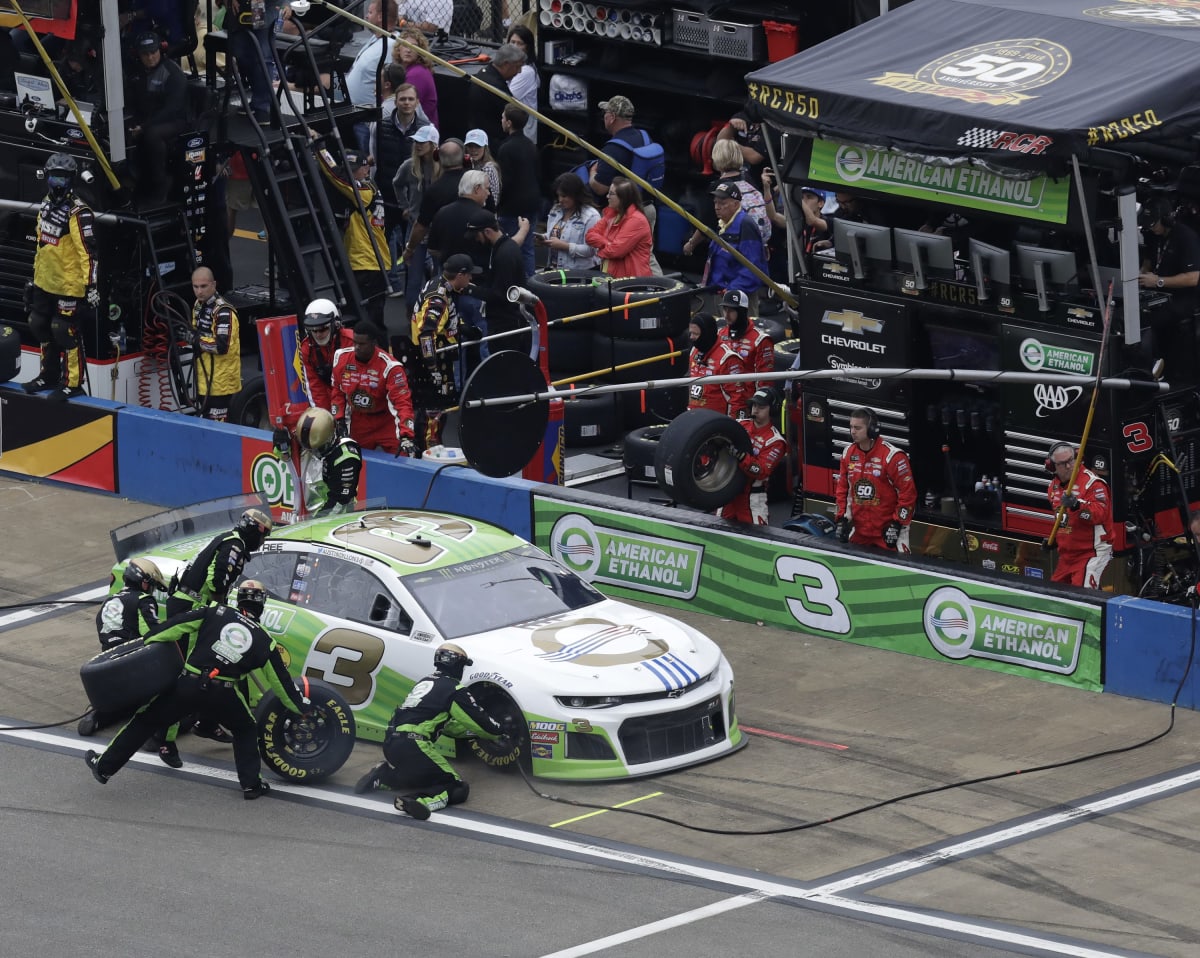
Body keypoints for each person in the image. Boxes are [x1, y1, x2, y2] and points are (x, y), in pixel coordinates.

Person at [85, 580, 310, 800]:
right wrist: (302, 708)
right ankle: (252, 785)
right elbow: (283, 686)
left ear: (238, 598)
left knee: (145, 721)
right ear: (262, 605)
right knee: (246, 729)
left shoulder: (215, 611)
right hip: (224, 692)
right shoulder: (266, 641)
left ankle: (103, 768)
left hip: (188, 684)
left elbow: (174, 627)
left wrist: (146, 643)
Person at [353, 642, 510, 821]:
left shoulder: (426, 683)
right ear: (458, 665)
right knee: (457, 787)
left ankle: (384, 777)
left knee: (422, 776)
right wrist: (500, 731)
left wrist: (472, 734)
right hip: (414, 745)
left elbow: (447, 725)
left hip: (392, 743)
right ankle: (418, 801)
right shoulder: (454, 690)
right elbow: (481, 723)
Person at [21, 153, 98, 402]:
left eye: (63, 177)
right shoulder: (44, 204)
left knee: (63, 330)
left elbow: (88, 251)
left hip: (69, 285)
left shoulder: (79, 211)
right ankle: (48, 375)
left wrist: (91, 285)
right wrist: (34, 277)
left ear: (71, 179)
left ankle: (73, 382)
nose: (58, 183)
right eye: (54, 176)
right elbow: (41, 245)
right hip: (45, 280)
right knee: (39, 324)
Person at [79, 558, 168, 738]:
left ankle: (96, 715)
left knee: (119, 706)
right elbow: (153, 634)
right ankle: (154, 733)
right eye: (150, 584)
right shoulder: (144, 600)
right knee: (169, 691)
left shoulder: (109, 601)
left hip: (108, 664)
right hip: (134, 664)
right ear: (143, 582)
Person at [311, 135, 392, 324]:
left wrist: (321, 150)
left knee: (364, 318)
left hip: (366, 261)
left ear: (365, 169)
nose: (349, 174)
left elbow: (336, 176)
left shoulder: (362, 191)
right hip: (374, 261)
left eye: (353, 170)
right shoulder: (370, 185)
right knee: (373, 315)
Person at [371, 82, 430, 292]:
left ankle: (414, 293)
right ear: (395, 101)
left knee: (414, 249)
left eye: (410, 99)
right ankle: (388, 285)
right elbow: (375, 159)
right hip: (386, 195)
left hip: (414, 202)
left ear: (417, 102)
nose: (406, 103)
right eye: (402, 99)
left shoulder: (426, 129)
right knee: (382, 244)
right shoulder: (379, 126)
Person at [330, 321, 419, 457]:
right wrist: (339, 419)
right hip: (359, 421)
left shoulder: (391, 367)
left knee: (405, 455)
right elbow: (337, 392)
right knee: (349, 460)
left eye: (362, 344)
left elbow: (402, 402)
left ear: (373, 343)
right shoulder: (341, 358)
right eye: (355, 343)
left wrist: (406, 435)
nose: (357, 347)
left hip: (385, 421)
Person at [835, 407, 917, 553]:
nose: (853, 431)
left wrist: (897, 524)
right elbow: (842, 489)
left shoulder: (893, 456)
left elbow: (908, 494)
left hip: (888, 533)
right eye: (851, 427)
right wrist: (841, 518)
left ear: (873, 429)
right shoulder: (848, 453)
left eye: (858, 428)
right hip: (860, 532)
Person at [167, 508, 274, 619]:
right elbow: (216, 579)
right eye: (263, 536)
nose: (263, 542)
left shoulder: (228, 537)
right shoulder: (235, 544)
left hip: (187, 602)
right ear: (253, 531)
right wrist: (220, 609)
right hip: (191, 606)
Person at [1137, 196, 1200, 376]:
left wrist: (1158, 281)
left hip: (1183, 298)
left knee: (1148, 321)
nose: (1151, 228)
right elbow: (1149, 260)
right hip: (1156, 293)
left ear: (1166, 219)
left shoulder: (1186, 237)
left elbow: (1194, 277)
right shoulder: (1152, 235)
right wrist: (1142, 275)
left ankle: (1152, 368)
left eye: (1154, 223)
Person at [125, 31, 189, 205]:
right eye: (145, 54)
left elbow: (173, 108)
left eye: (153, 52)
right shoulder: (136, 73)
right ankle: (133, 180)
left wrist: (144, 127)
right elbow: (131, 101)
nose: (150, 57)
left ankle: (160, 182)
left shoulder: (172, 73)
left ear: (160, 50)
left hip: (174, 120)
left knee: (152, 134)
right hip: (146, 118)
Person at [682, 139, 771, 259]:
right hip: (756, 243)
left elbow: (707, 224)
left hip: (733, 247)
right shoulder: (748, 179)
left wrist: (691, 244)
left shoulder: (718, 187)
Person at [410, 253, 481, 401]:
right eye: (469, 275)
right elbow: (426, 335)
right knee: (435, 411)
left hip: (440, 356)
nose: (471, 279)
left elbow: (444, 320)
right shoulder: (438, 299)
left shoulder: (439, 283)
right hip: (433, 362)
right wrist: (432, 368)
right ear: (460, 275)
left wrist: (464, 329)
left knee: (438, 409)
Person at [1046, 442, 1113, 589]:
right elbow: (1063, 520)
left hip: (1092, 553)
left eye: (1071, 460)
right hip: (1067, 556)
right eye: (1063, 463)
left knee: (1082, 600)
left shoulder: (1093, 483)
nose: (1069, 466)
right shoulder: (1053, 487)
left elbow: (1100, 515)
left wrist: (1078, 505)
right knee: (1052, 598)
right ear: (1053, 467)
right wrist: (1056, 539)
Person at [717, 387, 786, 525]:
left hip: (752, 499)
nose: (755, 410)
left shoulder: (776, 441)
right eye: (754, 405)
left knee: (755, 543)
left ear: (772, 410)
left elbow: (761, 471)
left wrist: (742, 457)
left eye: (761, 406)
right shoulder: (739, 425)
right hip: (728, 493)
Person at [393, 124, 441, 310]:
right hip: (416, 226)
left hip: (438, 227)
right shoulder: (410, 166)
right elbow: (396, 184)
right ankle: (411, 313)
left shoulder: (442, 167)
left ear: (433, 144)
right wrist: (404, 206)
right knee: (413, 275)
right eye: (416, 142)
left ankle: (437, 311)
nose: (418, 145)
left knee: (440, 274)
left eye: (423, 142)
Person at [467, 208, 529, 343]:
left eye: (477, 236)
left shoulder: (504, 255)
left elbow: (500, 295)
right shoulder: (503, 247)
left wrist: (471, 289)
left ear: (487, 232)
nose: (477, 240)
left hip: (507, 325)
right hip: (505, 321)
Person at [292, 406, 364, 516]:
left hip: (337, 519)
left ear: (331, 437)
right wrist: (280, 442)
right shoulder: (310, 441)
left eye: (318, 449)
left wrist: (316, 521)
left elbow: (341, 500)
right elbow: (285, 456)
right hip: (306, 512)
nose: (312, 453)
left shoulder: (346, 457)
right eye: (309, 449)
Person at [190, 266, 241, 421]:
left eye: (204, 286)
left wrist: (195, 340)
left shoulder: (224, 311)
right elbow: (194, 332)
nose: (199, 291)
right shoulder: (198, 306)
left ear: (214, 284)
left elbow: (221, 346)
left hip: (221, 386)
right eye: (196, 286)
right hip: (202, 381)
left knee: (217, 431)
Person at [704, 181, 767, 306]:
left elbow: (753, 267)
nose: (717, 207)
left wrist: (732, 290)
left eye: (722, 203)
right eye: (715, 202)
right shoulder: (722, 224)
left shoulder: (746, 225)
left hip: (739, 298)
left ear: (736, 204)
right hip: (721, 292)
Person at [496, 103, 541, 276]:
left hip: (512, 207)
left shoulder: (506, 148)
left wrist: (498, 203)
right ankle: (529, 285)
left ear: (508, 123)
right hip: (531, 203)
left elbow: (505, 181)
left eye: (503, 117)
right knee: (528, 248)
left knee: (509, 247)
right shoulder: (530, 145)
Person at [586, 177, 653, 279]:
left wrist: (600, 250)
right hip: (612, 277)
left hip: (632, 282)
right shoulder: (611, 214)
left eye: (611, 194)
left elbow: (615, 251)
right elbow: (589, 236)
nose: (607, 196)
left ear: (624, 197)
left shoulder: (636, 220)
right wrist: (607, 243)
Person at [225, 0, 279, 123]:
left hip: (263, 6)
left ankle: (263, 106)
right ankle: (259, 99)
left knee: (262, 55)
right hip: (240, 10)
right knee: (241, 53)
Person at [298, 298, 355, 413]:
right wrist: (324, 415)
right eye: (314, 330)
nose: (318, 334)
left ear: (336, 324)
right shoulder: (306, 348)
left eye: (323, 329)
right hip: (330, 397)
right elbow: (315, 387)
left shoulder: (353, 342)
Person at [687, 312, 747, 417]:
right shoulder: (694, 351)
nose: (691, 337)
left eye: (695, 334)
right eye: (690, 333)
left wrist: (734, 428)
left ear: (706, 333)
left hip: (717, 425)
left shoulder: (727, 358)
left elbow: (738, 400)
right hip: (694, 419)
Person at [717, 289, 773, 400]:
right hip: (721, 397)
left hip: (746, 401)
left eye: (731, 311)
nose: (726, 315)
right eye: (725, 310)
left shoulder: (761, 340)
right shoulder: (719, 334)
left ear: (742, 311)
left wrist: (755, 405)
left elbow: (765, 381)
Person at [466, 43, 524, 149]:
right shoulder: (496, 87)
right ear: (506, 64)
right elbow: (514, 114)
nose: (519, 71)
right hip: (492, 144)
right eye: (517, 67)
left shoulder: (484, 73)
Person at [540, 172, 600, 270]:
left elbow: (591, 250)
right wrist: (543, 238)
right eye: (558, 196)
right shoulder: (556, 210)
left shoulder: (591, 216)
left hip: (579, 274)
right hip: (554, 269)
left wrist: (565, 246)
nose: (560, 200)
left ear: (575, 194)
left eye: (564, 196)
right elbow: (554, 234)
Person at [392, 28, 438, 128]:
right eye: (405, 45)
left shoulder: (417, 73)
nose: (408, 50)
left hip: (420, 132)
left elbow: (405, 107)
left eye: (414, 47)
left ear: (420, 51)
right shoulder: (404, 69)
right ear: (399, 48)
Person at [504, 23, 538, 142]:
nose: (515, 46)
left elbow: (505, 97)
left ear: (527, 47)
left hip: (524, 135)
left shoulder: (526, 72)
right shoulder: (512, 65)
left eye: (520, 43)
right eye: (512, 42)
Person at [463, 128, 501, 210]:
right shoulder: (466, 166)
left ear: (485, 148)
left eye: (478, 146)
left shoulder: (488, 168)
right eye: (470, 146)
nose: (473, 150)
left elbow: (494, 200)